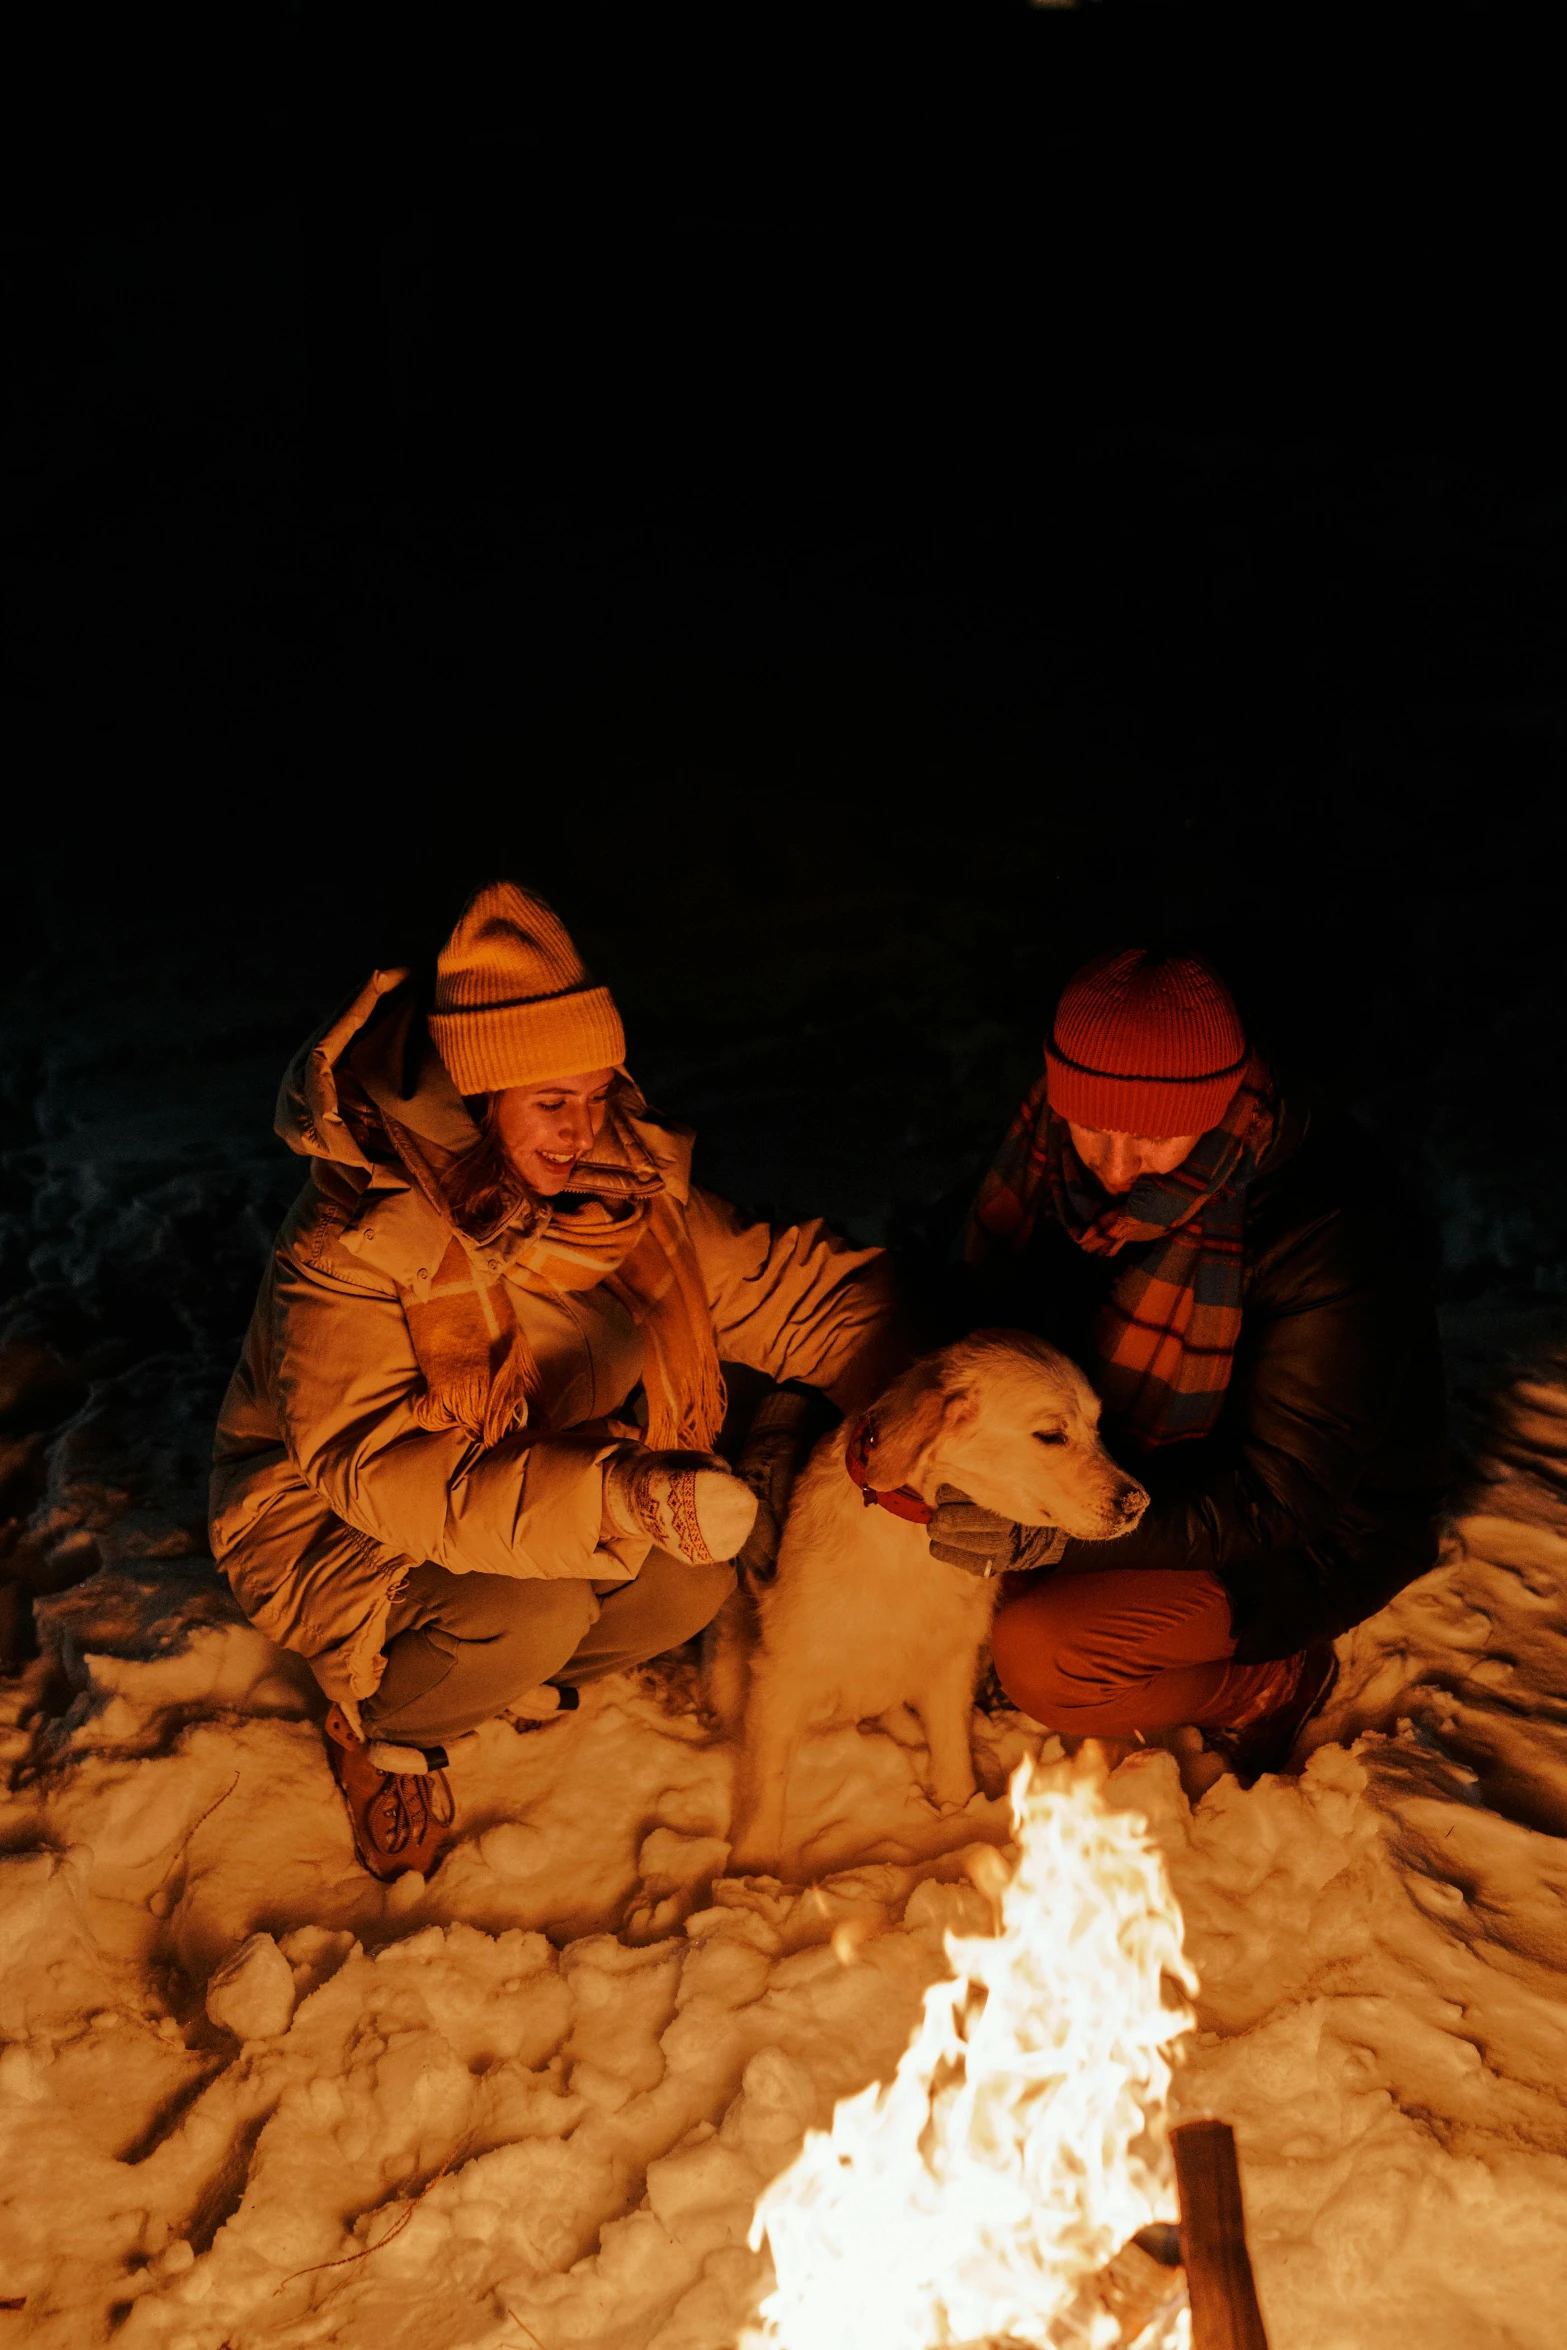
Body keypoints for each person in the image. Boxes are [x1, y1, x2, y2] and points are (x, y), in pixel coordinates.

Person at [210, 882, 896, 1878]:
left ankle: (500, 1675)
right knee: (528, 1609)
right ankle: (382, 1725)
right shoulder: (357, 1238)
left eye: (595, 1095)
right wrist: (611, 1493)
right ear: (479, 1097)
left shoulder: (620, 1197)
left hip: (534, 1480)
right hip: (330, 1520)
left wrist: (935, 1381)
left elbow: (785, 1290)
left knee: (689, 1578)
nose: (582, 1130)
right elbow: (383, 1468)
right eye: (550, 1102)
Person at [949, 946, 1448, 1778]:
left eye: (1149, 1135)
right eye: (1092, 1125)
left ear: (1214, 1106)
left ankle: (1269, 1684)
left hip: (1308, 1529)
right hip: (1126, 1465)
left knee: (1041, 1656)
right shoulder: (1044, 1153)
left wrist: (1049, 1532)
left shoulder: (1329, 1226)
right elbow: (964, 1303)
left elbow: (1280, 1496)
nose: (1113, 1167)